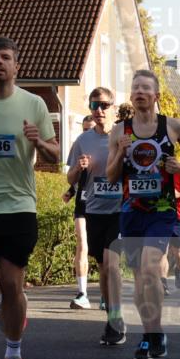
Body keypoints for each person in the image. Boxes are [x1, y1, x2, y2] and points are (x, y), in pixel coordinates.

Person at [0, 36, 59, 359]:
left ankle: (13, 356)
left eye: (5, 57)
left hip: (20, 206)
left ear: (16, 65)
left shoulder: (33, 103)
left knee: (11, 282)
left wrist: (38, 141)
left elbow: (54, 154)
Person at [107, 69, 180, 359]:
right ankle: (152, 334)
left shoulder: (172, 126)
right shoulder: (119, 131)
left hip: (163, 211)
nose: (140, 92)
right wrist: (120, 154)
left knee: (150, 269)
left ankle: (152, 334)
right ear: (131, 96)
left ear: (156, 96)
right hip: (130, 212)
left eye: (146, 88)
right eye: (135, 88)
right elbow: (110, 178)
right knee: (139, 280)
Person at [66, 89, 125, 345]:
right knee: (102, 269)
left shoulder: (125, 136)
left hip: (120, 211)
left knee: (112, 265)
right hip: (94, 211)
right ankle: (110, 315)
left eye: (103, 105)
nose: (98, 110)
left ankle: (117, 319)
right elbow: (70, 179)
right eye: (94, 105)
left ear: (113, 107)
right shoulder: (82, 140)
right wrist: (78, 169)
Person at [65, 114, 96, 310]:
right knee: (82, 244)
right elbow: (72, 178)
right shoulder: (80, 147)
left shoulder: (107, 146)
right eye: (84, 129)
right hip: (83, 203)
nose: (86, 132)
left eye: (90, 128)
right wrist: (77, 168)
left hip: (105, 205)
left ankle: (107, 293)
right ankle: (82, 292)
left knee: (103, 251)